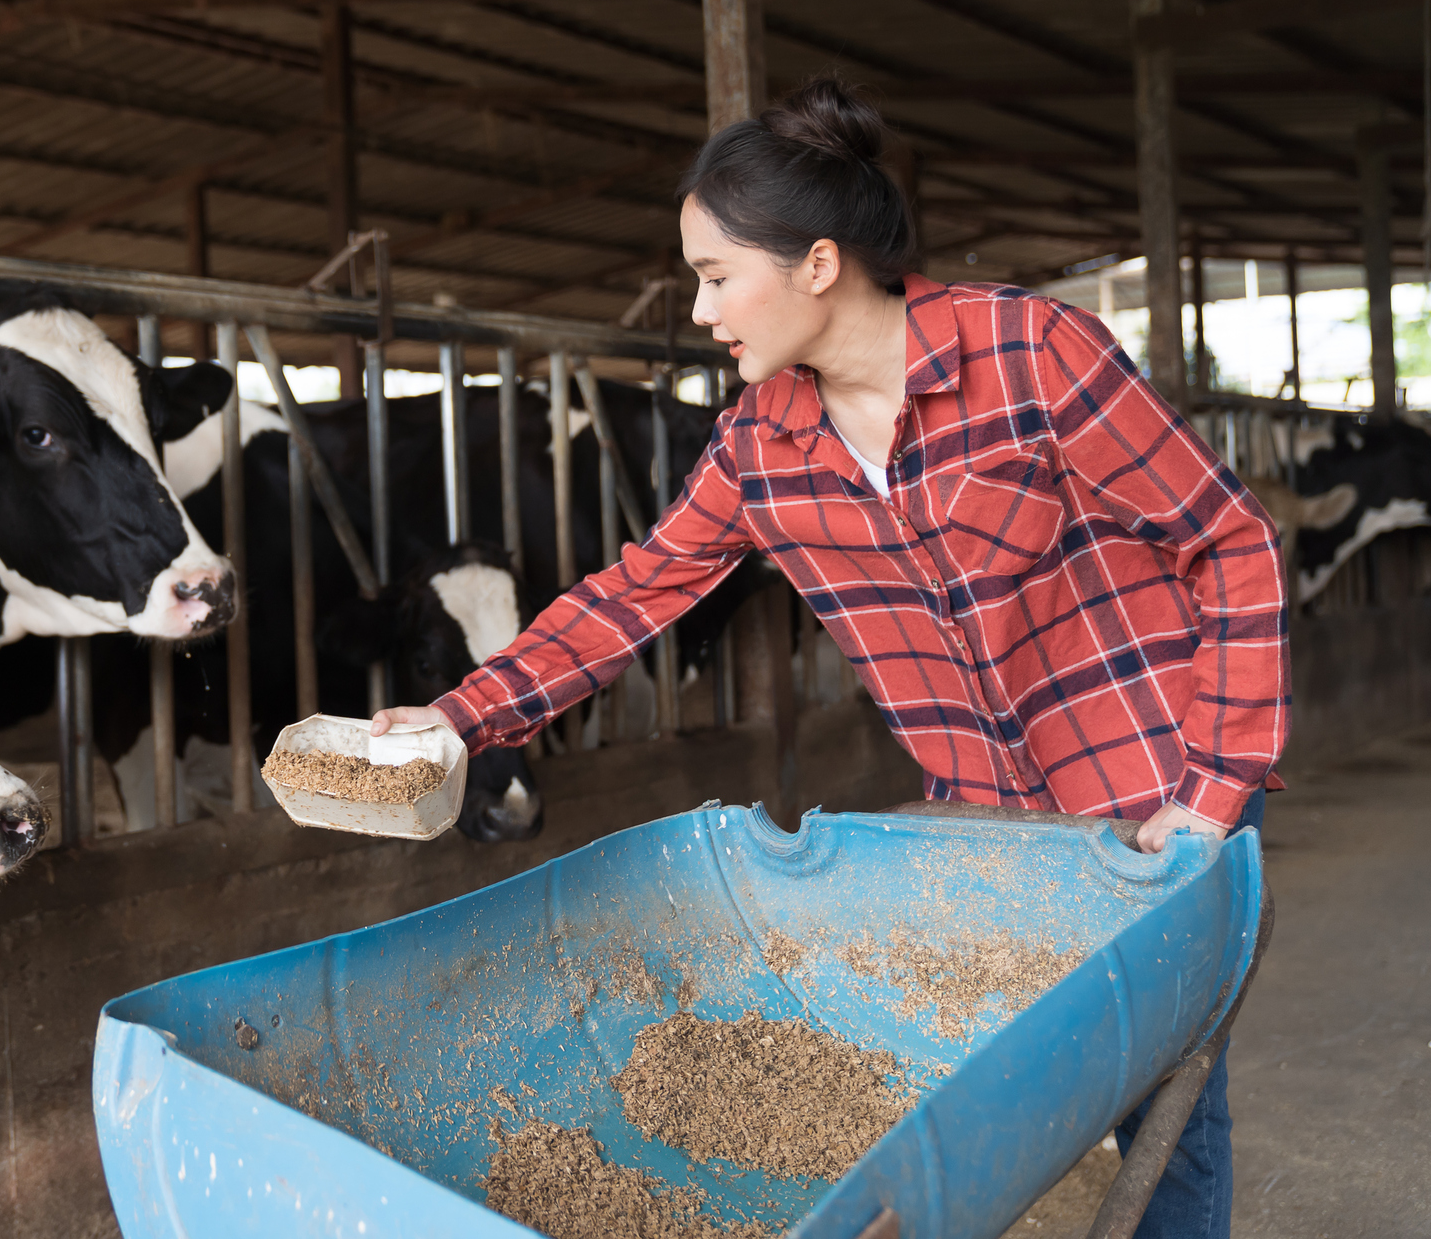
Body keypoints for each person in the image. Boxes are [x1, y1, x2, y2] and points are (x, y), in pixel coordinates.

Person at [371, 77, 1285, 1239]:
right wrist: (461, 718)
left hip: (1160, 801)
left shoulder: (1031, 353)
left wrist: (1213, 795)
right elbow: (637, 592)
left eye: (714, 277)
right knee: (1015, 1108)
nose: (701, 311)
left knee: (1166, 1111)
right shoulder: (762, 440)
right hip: (990, 827)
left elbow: (1230, 542)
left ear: (815, 264)